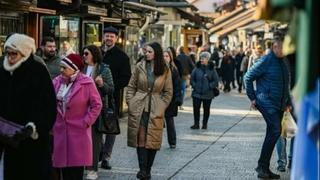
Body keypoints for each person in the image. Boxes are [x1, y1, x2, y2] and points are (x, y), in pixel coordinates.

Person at [0, 33, 57, 180]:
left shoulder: (38, 71)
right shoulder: (2, 69)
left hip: (33, 139)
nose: (10, 57)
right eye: (7, 53)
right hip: (9, 138)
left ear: (24, 52)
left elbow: (48, 105)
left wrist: (33, 126)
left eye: (14, 53)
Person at [244, 39, 291, 179]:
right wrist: (252, 97)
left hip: (279, 103)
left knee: (274, 132)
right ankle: (262, 166)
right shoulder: (266, 60)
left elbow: (285, 83)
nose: (284, 51)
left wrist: (287, 102)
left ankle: (263, 167)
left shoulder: (283, 61)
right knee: (276, 129)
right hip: (265, 101)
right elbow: (248, 77)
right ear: (275, 47)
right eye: (282, 48)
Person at [126, 42, 172, 179]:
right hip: (139, 107)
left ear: (156, 53)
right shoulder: (139, 66)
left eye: (149, 51)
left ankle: (148, 169)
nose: (146, 53)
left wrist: (161, 106)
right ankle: (142, 170)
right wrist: (131, 102)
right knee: (140, 139)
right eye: (146, 51)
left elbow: (168, 92)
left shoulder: (165, 69)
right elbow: (131, 86)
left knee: (152, 140)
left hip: (155, 108)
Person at [52, 54, 102, 180]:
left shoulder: (87, 82)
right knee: (61, 171)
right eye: (61, 67)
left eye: (65, 68)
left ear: (74, 69)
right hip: (60, 132)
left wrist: (86, 122)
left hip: (79, 132)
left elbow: (97, 105)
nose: (61, 70)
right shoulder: (57, 82)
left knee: (75, 172)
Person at [101, 26, 131, 170]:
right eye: (107, 35)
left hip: (112, 98)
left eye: (112, 36)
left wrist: (111, 86)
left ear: (116, 38)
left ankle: (106, 157)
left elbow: (126, 78)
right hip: (93, 96)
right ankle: (98, 152)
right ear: (103, 37)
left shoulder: (122, 56)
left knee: (110, 129)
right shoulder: (97, 52)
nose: (109, 38)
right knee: (95, 126)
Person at [82, 45, 114, 180]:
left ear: (93, 55)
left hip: (96, 109)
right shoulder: (81, 68)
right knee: (83, 139)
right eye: (83, 54)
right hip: (81, 108)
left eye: (86, 54)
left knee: (94, 140)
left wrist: (101, 84)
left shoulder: (104, 69)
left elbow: (111, 89)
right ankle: (84, 164)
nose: (84, 56)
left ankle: (92, 169)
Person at [190, 51, 219, 129]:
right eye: (201, 58)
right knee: (196, 109)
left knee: (206, 110)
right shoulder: (196, 68)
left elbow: (216, 81)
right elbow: (192, 79)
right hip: (196, 93)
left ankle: (204, 124)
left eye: (203, 58)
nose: (201, 60)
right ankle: (196, 124)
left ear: (208, 59)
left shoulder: (212, 69)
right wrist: (195, 86)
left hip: (208, 94)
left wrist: (209, 86)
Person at [163, 49, 182, 149]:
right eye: (163, 56)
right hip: (159, 99)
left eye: (167, 56)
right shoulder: (158, 69)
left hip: (170, 100)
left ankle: (172, 142)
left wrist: (178, 99)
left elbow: (177, 86)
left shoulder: (174, 70)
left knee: (169, 122)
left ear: (170, 58)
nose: (165, 58)